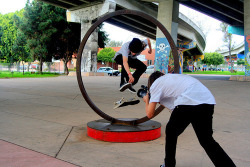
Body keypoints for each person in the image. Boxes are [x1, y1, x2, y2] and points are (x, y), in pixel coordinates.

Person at [143, 71, 236, 167]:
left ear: (151, 82)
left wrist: (147, 100)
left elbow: (150, 114)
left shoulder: (155, 85)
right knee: (206, 140)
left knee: (171, 131)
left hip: (188, 101)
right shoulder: (173, 78)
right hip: (207, 101)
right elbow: (175, 109)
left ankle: (169, 164)